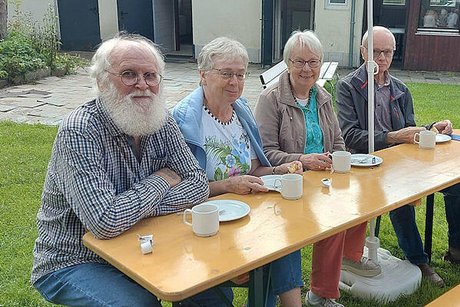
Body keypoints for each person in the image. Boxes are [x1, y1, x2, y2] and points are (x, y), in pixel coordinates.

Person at [30, 33, 227, 306]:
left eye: (151, 75)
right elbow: (105, 221)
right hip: (76, 259)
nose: (142, 85)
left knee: (209, 287)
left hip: (145, 243)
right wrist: (161, 180)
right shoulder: (79, 131)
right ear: (101, 81)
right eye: (128, 74)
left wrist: (130, 210)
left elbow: (197, 184)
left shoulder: (162, 121)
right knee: (139, 304)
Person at [173, 37, 304, 307]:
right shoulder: (183, 121)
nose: (235, 82)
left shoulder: (241, 110)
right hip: (205, 224)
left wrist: (281, 169)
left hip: (247, 216)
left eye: (241, 74)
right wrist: (228, 186)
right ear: (203, 75)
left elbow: (255, 169)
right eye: (226, 74)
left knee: (288, 235)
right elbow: (179, 190)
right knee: (269, 254)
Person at [254, 30, 381, 307]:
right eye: (299, 62)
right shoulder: (271, 99)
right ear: (287, 63)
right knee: (326, 219)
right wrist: (303, 160)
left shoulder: (322, 96)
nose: (306, 69)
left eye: (313, 62)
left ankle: (327, 284)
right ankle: (320, 290)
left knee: (359, 203)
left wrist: (338, 159)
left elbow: (337, 141)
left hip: (322, 181)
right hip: (288, 185)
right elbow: (265, 154)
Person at [335, 26, 460, 288]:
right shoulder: (348, 87)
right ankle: (419, 260)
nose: (382, 58)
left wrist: (432, 128)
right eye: (376, 52)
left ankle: (456, 248)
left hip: (403, 161)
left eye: (387, 52)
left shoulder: (400, 88)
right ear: (362, 52)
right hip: (366, 164)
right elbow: (350, 136)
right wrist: (393, 137)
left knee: (456, 185)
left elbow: (410, 128)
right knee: (397, 195)